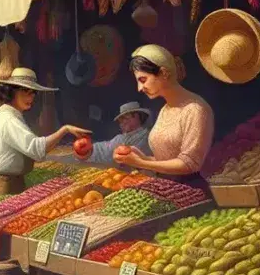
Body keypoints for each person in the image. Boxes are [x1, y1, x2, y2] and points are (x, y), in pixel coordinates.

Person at [115, 45, 214, 188]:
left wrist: (141, 163)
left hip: (189, 191)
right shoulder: (165, 110)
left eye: (143, 80)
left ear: (163, 73)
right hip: (166, 188)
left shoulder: (196, 110)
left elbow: (189, 164)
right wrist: (143, 158)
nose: (139, 88)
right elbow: (167, 160)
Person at [0, 68, 90, 195]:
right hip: (4, 186)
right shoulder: (9, 118)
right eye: (26, 92)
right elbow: (36, 148)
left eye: (33, 93)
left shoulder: (8, 114)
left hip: (10, 182)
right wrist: (64, 130)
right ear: (12, 92)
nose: (31, 97)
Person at [79, 102, 153, 167]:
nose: (123, 122)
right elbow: (104, 149)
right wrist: (86, 149)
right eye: (121, 119)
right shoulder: (120, 138)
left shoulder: (149, 136)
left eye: (127, 117)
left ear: (137, 116)